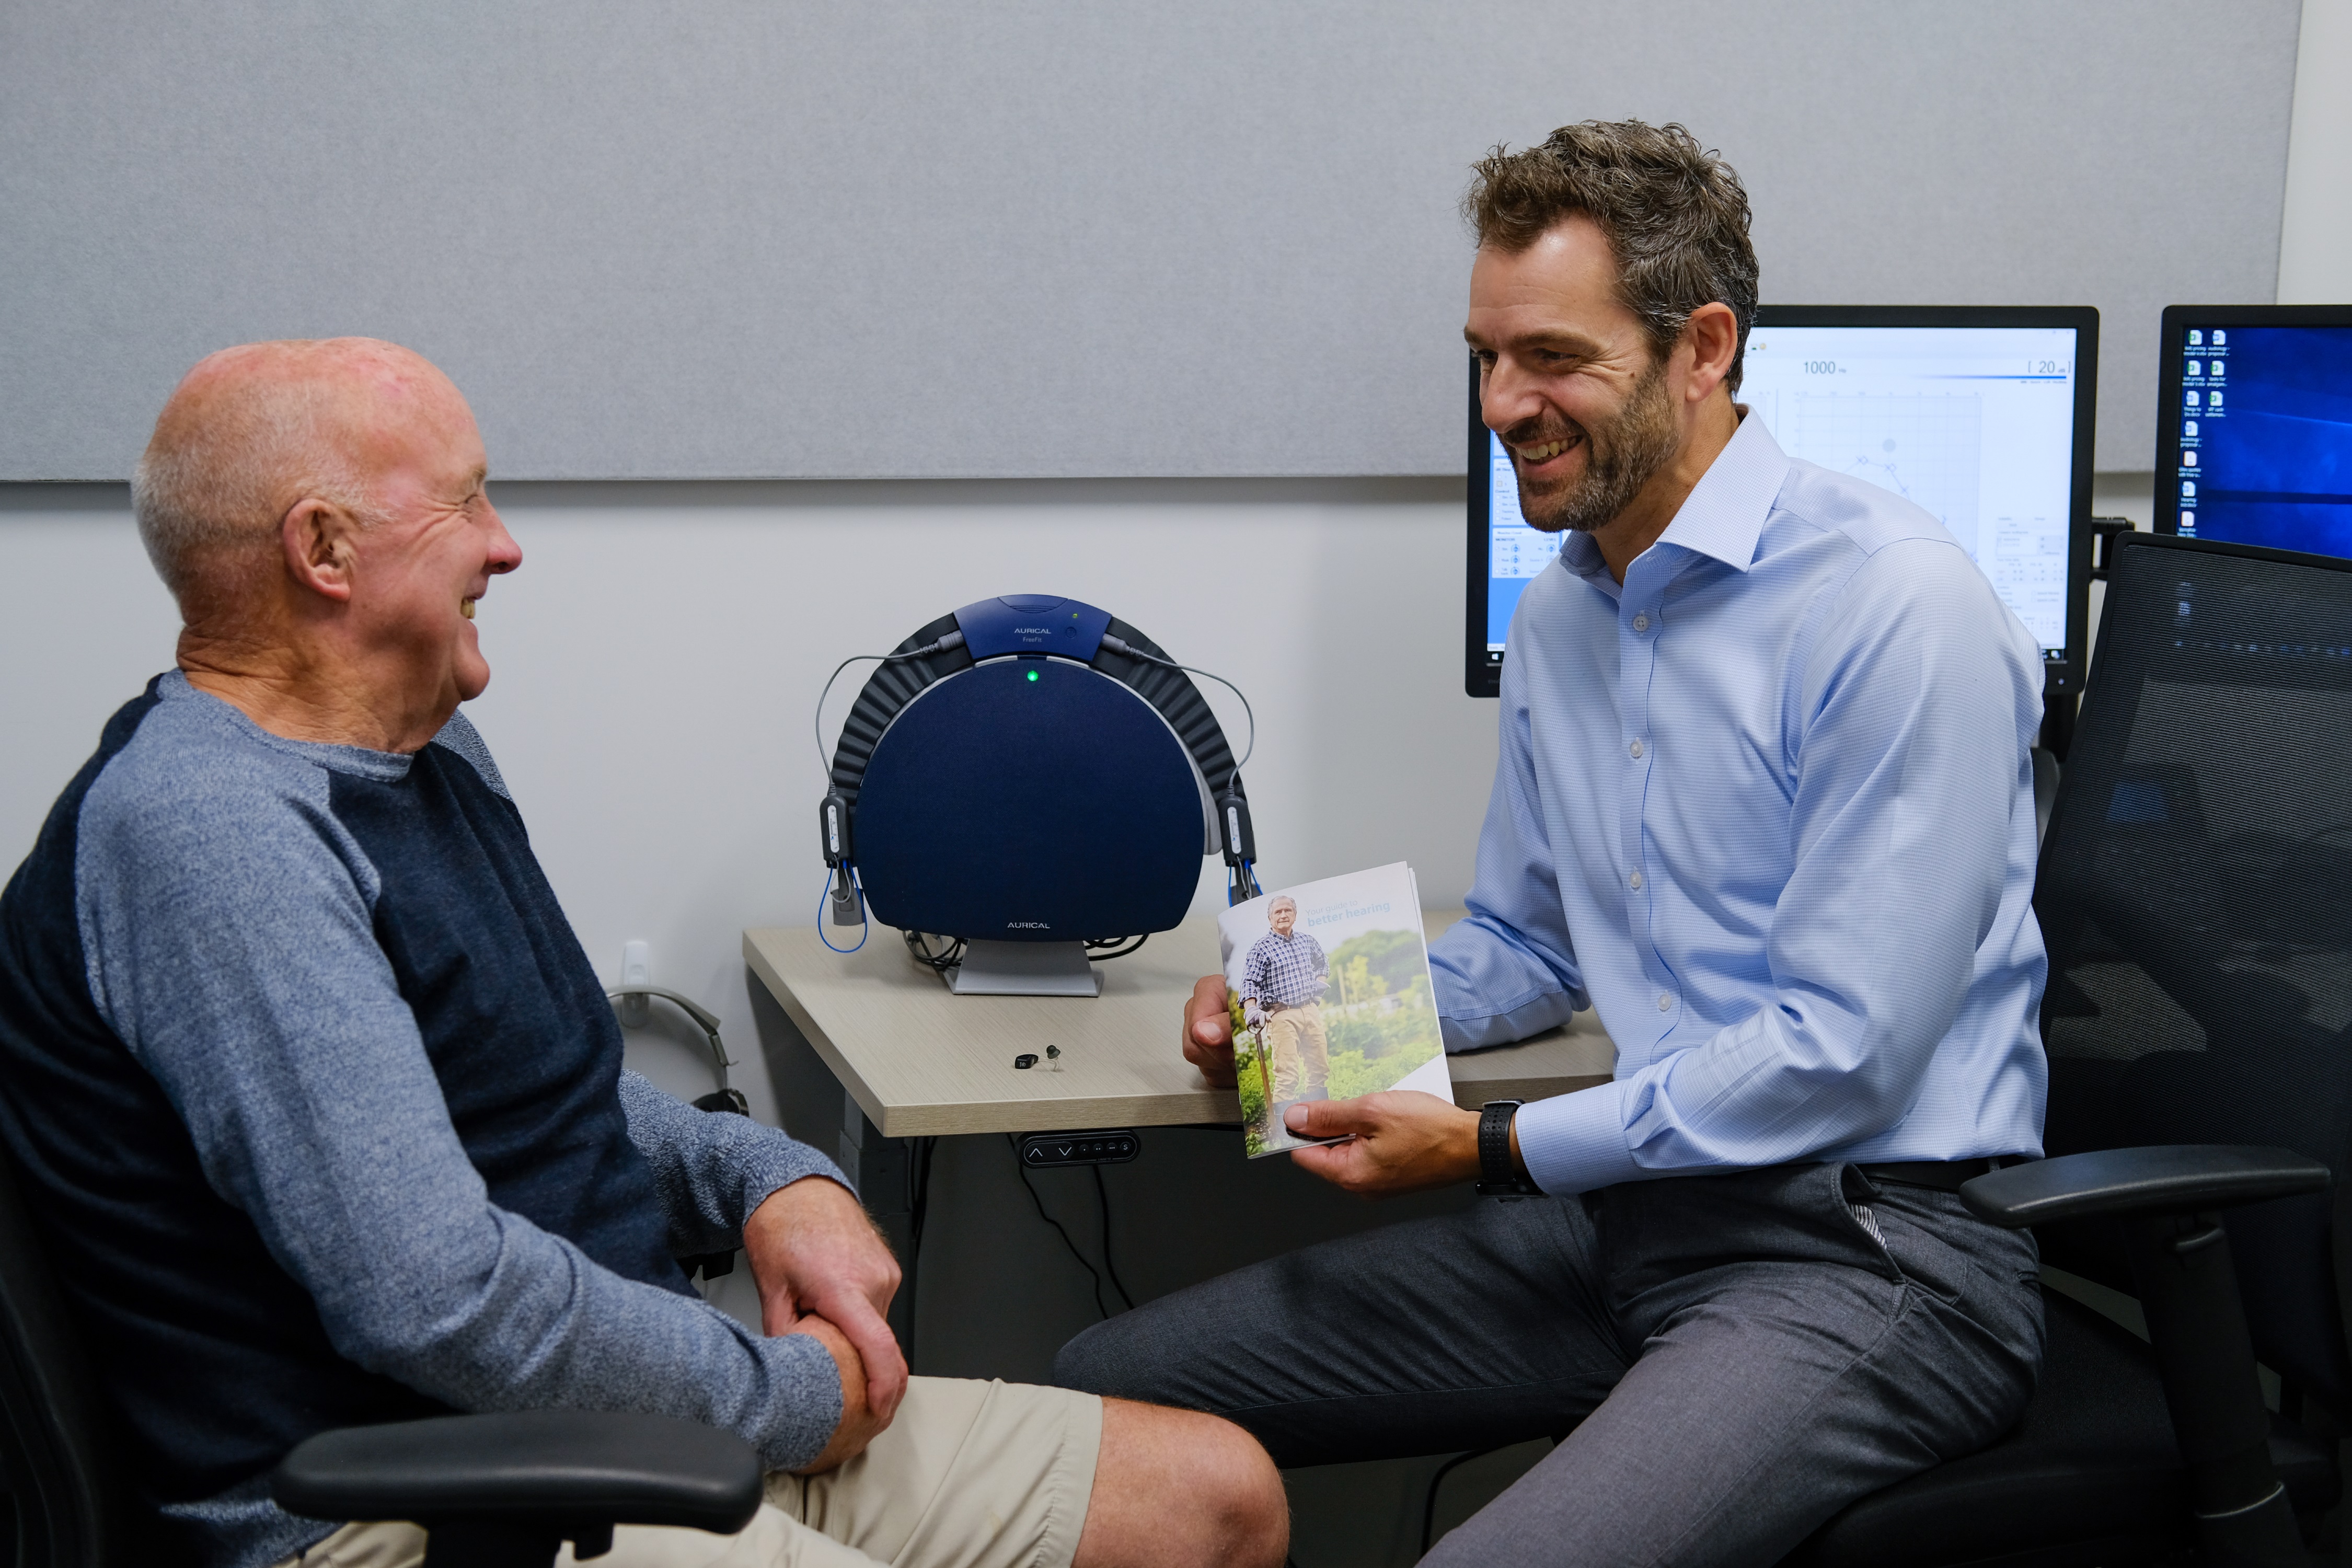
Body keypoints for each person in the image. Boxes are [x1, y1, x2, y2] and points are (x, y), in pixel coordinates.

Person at [0, 338, 1287, 1568]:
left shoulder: (421, 747)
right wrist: (783, 1399)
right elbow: (437, 1300)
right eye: (464, 501)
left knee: (1214, 1500)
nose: (503, 544)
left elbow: (545, 1087)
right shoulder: (212, 835)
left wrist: (768, 1178)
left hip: (604, 1424)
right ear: (324, 550)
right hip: (401, 1508)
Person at [1055, 121, 2049, 1566]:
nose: (1499, 403)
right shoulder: (1576, 606)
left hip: (1865, 1257)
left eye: (1551, 359)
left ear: (1700, 348)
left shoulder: (1897, 609)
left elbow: (1840, 1049)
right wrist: (1290, 1008)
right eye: (1484, 356)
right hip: (1636, 1221)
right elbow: (1526, 945)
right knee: (1095, 1406)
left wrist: (1492, 1147)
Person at [1239, 895, 1329, 1115]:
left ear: (1295, 915)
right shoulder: (1261, 949)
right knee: (1288, 1074)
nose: (1283, 915)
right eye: (1278, 912)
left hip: (1310, 1010)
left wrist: (1319, 985)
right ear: (1270, 918)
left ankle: (1317, 1116)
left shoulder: (1307, 940)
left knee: (1319, 1069)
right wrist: (1252, 1009)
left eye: (1288, 911)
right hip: (1280, 1016)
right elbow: (1250, 981)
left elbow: (1323, 962)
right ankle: (1285, 1129)